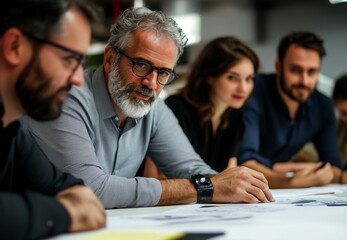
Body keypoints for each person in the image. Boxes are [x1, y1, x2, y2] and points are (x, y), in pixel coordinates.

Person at [24, 7, 274, 209]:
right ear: (110, 58)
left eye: (164, 72)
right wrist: (203, 187)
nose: (151, 83)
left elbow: (192, 168)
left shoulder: (152, 108)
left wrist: (233, 185)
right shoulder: (67, 98)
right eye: (141, 65)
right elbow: (90, 189)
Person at [0, 0, 106, 239]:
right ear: (14, 46)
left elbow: (69, 189)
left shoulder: (12, 130)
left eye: (81, 63)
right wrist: (63, 213)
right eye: (70, 59)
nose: (79, 79)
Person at [237, 31, 343, 188]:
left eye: (312, 71)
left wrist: (287, 169)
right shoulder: (253, 91)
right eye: (296, 70)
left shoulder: (323, 104)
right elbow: (245, 163)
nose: (304, 81)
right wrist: (294, 176)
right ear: (278, 68)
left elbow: (334, 167)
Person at [144, 36, 258, 178]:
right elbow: (156, 178)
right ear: (210, 77)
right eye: (232, 78)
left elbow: (229, 173)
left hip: (203, 198)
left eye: (249, 79)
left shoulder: (235, 116)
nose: (244, 88)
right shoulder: (177, 109)